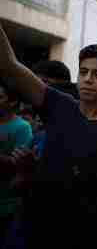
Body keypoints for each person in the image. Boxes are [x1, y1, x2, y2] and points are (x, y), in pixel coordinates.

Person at [0, 24, 97, 249]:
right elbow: (9, 65)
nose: (88, 79)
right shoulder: (57, 104)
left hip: (88, 236)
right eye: (83, 72)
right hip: (40, 232)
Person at [0, 80, 32, 247]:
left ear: (12, 101)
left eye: (0, 97)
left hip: (7, 207)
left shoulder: (22, 127)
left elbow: (18, 165)